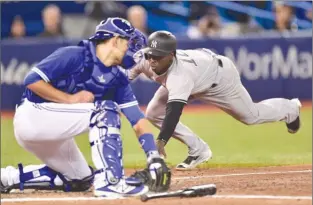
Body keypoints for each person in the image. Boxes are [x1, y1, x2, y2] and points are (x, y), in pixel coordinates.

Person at [0, 18, 171, 197]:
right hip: (33, 117)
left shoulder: (118, 79)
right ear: (115, 40)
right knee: (105, 110)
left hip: (55, 131)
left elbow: (137, 119)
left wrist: (153, 156)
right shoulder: (74, 54)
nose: (133, 48)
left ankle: (7, 178)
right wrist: (69, 99)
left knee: (79, 179)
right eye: (129, 41)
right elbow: (31, 81)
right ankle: (110, 182)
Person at [127, 30, 302, 171]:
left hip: (219, 79)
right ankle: (198, 150)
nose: (152, 60)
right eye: (151, 54)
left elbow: (173, 112)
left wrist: (161, 141)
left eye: (158, 56)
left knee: (251, 116)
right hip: (198, 74)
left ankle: (290, 109)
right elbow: (122, 79)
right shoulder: (144, 60)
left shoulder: (180, 76)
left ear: (171, 55)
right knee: (152, 113)